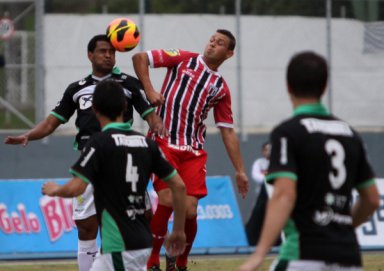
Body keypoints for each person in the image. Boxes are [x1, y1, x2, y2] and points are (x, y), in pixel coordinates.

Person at [4, 34, 165, 271]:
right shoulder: (77, 89)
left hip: (123, 158)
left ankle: (144, 264)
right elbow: (51, 122)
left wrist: (156, 124)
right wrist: (29, 134)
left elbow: (150, 114)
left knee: (136, 219)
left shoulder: (128, 84)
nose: (108, 55)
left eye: (112, 51)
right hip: (90, 159)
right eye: (102, 51)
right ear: (90, 55)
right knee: (86, 226)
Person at [237, 51, 380, 271]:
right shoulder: (350, 134)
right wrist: (342, 230)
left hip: (302, 255)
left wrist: (259, 254)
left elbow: (284, 194)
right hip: (348, 256)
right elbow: (371, 199)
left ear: (288, 87)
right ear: (324, 88)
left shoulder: (288, 133)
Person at [132, 29, 249, 271]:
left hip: (193, 149)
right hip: (164, 142)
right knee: (166, 197)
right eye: (212, 40)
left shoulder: (220, 87)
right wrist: (150, 90)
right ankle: (152, 261)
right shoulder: (183, 58)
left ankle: (180, 263)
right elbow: (140, 58)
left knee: (190, 209)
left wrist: (239, 170)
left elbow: (227, 130)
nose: (212, 45)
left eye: (219, 44)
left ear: (229, 54)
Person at [42, 80, 187, 271]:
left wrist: (55, 190)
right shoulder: (146, 144)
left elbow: (77, 187)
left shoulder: (99, 143)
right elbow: (179, 186)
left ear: (94, 109)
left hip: (121, 244)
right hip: (143, 241)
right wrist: (178, 230)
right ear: (126, 106)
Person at [245, 142, 272, 246]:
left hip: (275, 195)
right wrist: (269, 179)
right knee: (256, 216)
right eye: (266, 150)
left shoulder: (278, 162)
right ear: (262, 151)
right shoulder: (259, 163)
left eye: (271, 149)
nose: (269, 152)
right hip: (261, 197)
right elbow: (256, 176)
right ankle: (253, 240)